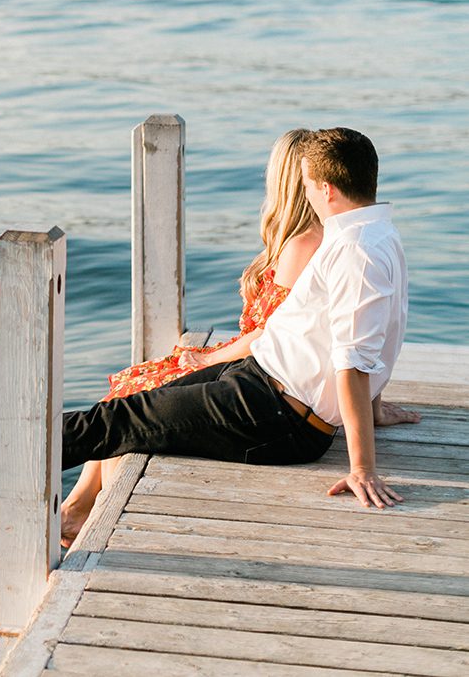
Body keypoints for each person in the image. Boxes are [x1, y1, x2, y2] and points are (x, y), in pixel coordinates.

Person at [0, 128, 419, 513]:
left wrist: (363, 468)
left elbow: (354, 358)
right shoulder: (371, 237)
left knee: (120, 422)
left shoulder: (357, 252)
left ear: (327, 188)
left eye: (307, 186)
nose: (304, 195)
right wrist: (372, 407)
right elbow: (361, 336)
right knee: (130, 407)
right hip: (260, 380)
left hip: (280, 418)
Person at [61, 128, 322, 544]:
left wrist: (205, 360)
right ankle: (78, 505)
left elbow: (263, 335)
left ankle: (77, 508)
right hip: (256, 365)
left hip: (257, 371)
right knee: (134, 384)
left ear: (283, 180)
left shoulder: (301, 245)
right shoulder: (306, 240)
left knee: (138, 388)